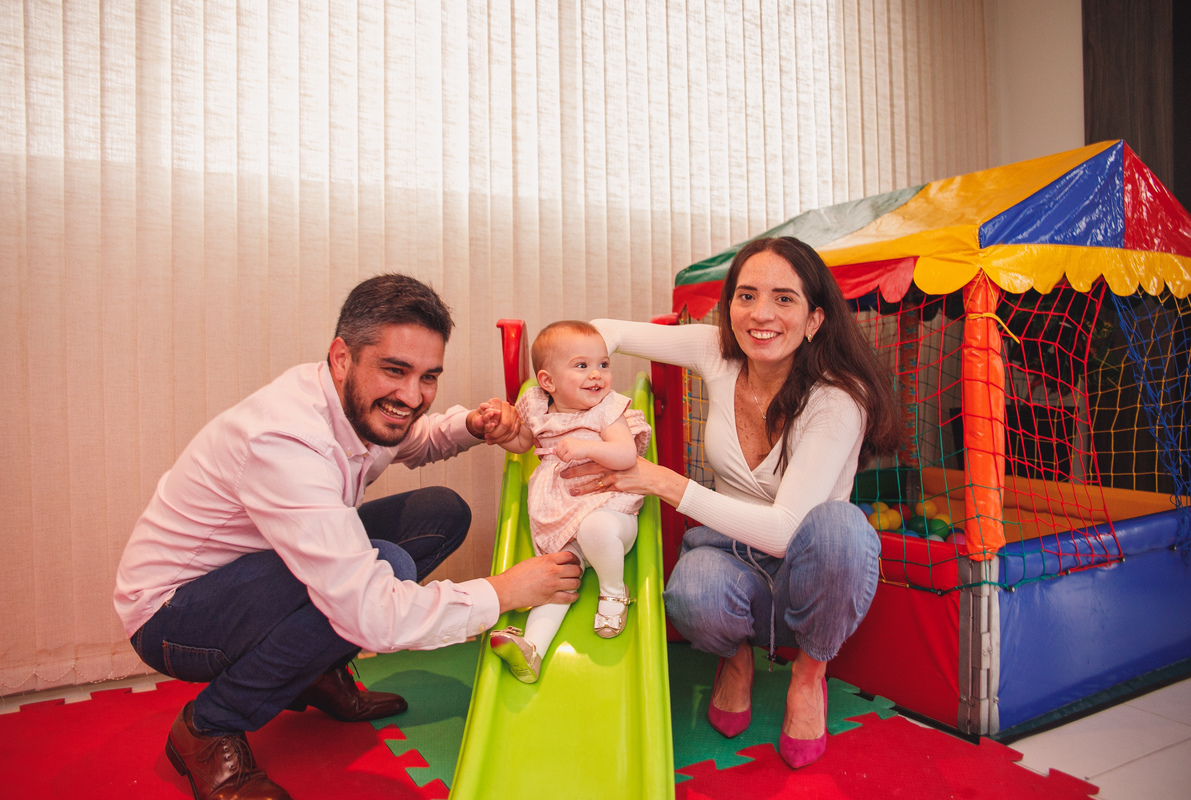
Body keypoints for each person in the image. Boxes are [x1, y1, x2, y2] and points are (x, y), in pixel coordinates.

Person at [114, 273, 583, 800]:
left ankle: (315, 670)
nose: (412, 396)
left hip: (261, 570)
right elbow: (373, 612)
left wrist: (471, 425)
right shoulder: (287, 440)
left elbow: (412, 438)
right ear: (342, 357)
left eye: (429, 376)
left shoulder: (356, 402)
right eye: (395, 370)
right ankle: (208, 727)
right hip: (174, 615)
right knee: (386, 569)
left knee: (440, 512)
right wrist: (503, 592)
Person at [567, 237, 900, 769]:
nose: (760, 314)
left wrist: (664, 483)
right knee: (689, 594)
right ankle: (736, 658)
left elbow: (787, 530)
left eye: (783, 299)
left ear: (815, 319)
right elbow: (606, 334)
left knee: (843, 527)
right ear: (729, 307)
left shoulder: (838, 398)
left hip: (807, 565)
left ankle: (809, 675)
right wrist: (554, 391)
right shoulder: (717, 353)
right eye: (746, 296)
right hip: (728, 556)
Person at [482, 321, 652, 683]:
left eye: (603, 365)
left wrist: (586, 447)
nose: (597, 376)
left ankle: (614, 593)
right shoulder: (536, 405)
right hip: (561, 512)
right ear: (548, 381)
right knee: (555, 575)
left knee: (596, 528)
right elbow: (524, 442)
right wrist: (501, 434)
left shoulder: (608, 409)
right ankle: (532, 650)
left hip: (609, 511)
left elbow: (624, 454)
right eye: (582, 366)